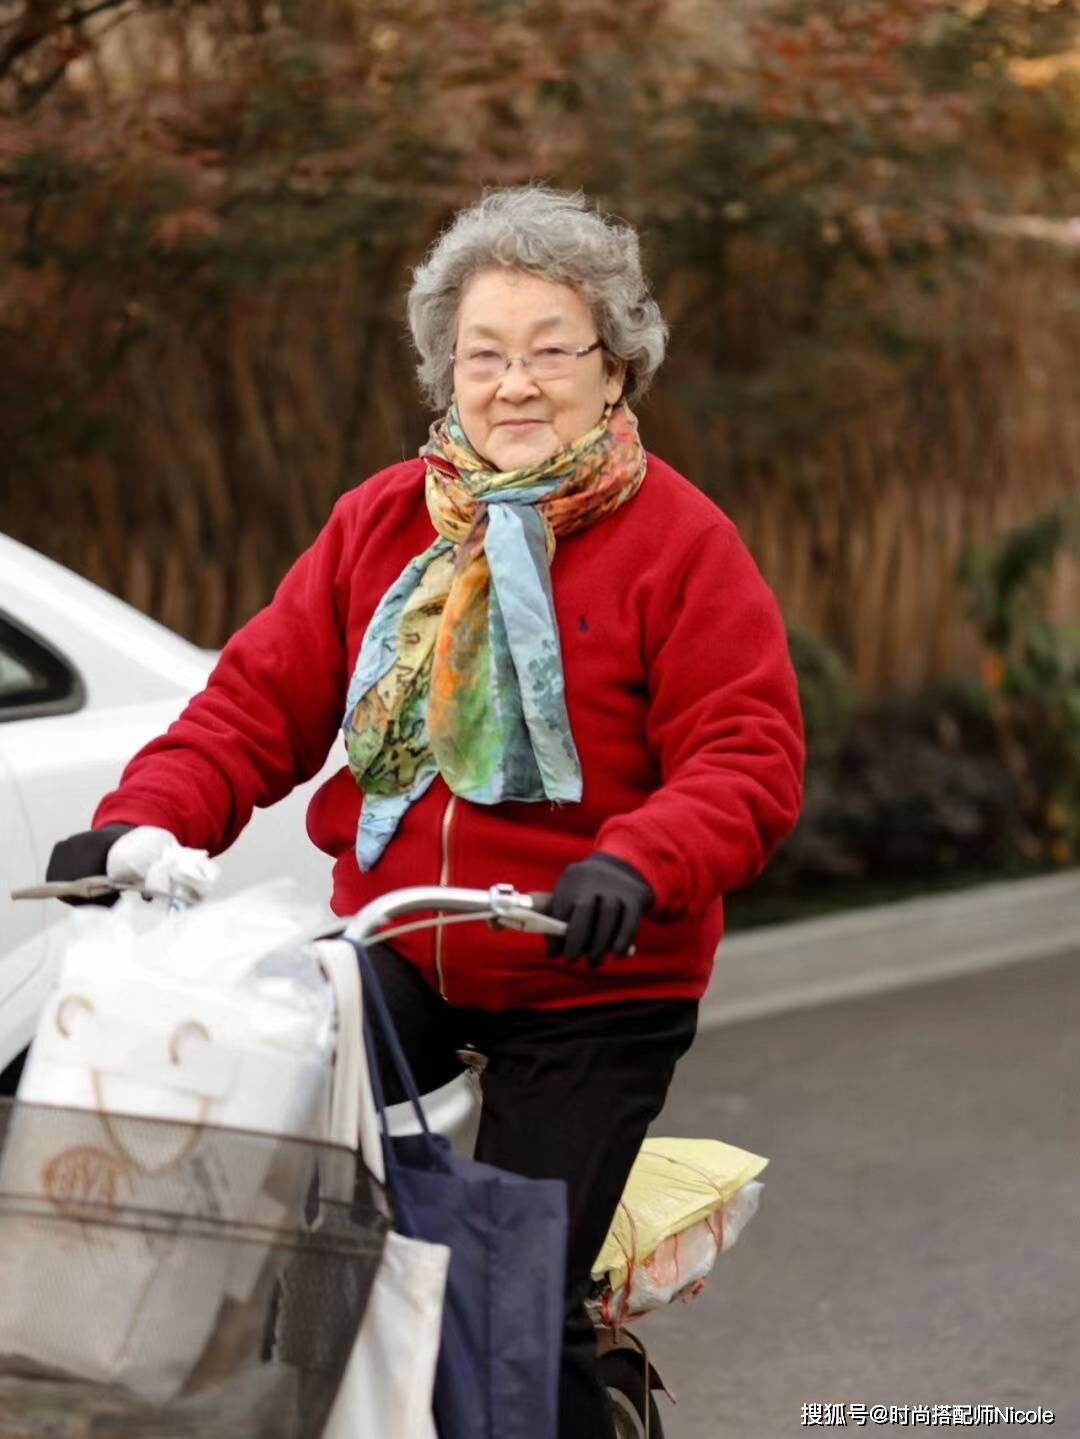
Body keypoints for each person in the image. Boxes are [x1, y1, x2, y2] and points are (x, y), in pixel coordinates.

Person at [47, 186, 805, 1438]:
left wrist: (637, 860)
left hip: (588, 967)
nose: (515, 382)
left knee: (507, 1299)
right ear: (446, 371)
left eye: (551, 349)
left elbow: (747, 755)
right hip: (398, 947)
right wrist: (146, 823)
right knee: (266, 1225)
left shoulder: (682, 541)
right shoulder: (383, 521)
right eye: (483, 353)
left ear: (615, 366)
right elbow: (255, 705)